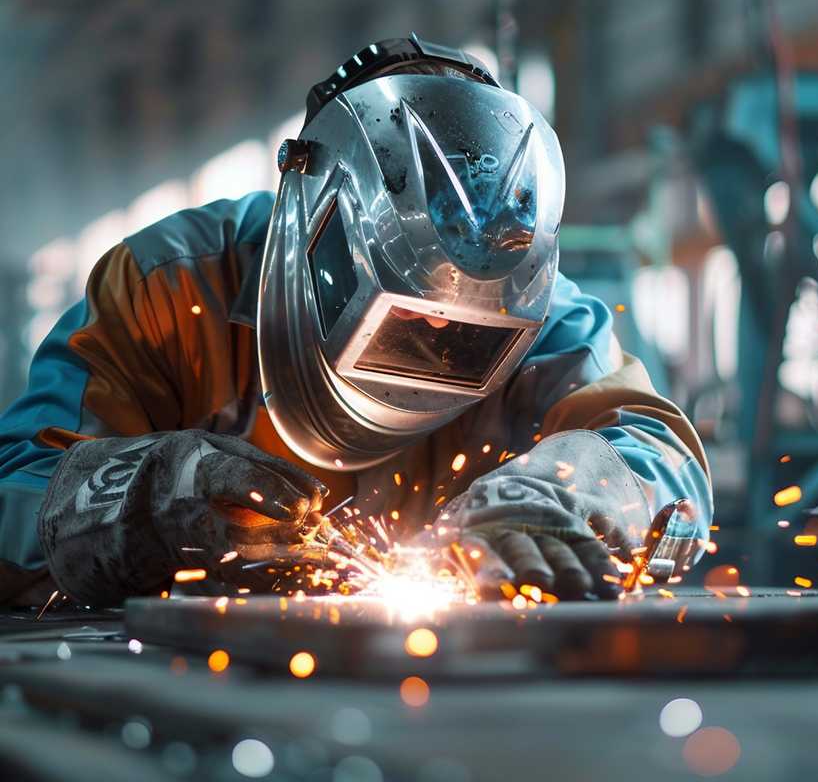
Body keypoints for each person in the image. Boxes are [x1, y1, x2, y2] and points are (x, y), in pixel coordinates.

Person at [0, 35, 712, 606]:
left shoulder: (545, 321)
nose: (428, 356)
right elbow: (15, 497)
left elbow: (659, 454)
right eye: (406, 322)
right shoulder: (166, 287)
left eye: (467, 340)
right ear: (310, 228)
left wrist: (565, 490)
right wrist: (147, 496)